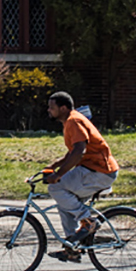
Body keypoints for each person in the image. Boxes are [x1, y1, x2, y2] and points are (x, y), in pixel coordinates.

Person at [42, 91, 117, 260]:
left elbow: (79, 151)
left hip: (99, 171)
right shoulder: (71, 120)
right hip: (93, 170)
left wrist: (58, 175)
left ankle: (88, 222)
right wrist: (55, 166)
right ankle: (72, 247)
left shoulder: (73, 121)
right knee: (65, 204)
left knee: (56, 187)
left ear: (63, 108)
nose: (49, 110)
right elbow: (73, 152)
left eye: (52, 107)